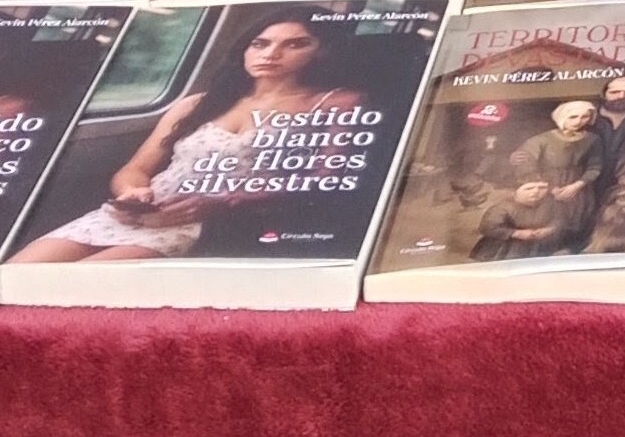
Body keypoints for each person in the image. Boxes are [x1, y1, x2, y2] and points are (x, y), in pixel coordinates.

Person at [14, 16, 364, 263]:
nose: (271, 54)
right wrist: (133, 193)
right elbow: (136, 169)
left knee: (74, 287)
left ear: (321, 51)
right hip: (139, 211)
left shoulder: (338, 102)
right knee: (17, 276)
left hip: (207, 219)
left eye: (295, 44)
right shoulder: (197, 103)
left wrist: (220, 203)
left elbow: (325, 179)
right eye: (261, 43)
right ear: (245, 50)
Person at [470, 100, 608, 260]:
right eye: (573, 117)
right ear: (562, 117)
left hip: (579, 191)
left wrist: (576, 186)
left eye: (585, 117)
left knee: (577, 222)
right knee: (547, 222)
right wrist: (551, 189)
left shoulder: (592, 139)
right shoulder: (540, 140)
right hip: (544, 187)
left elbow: (595, 166)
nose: (579, 122)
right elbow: (526, 166)